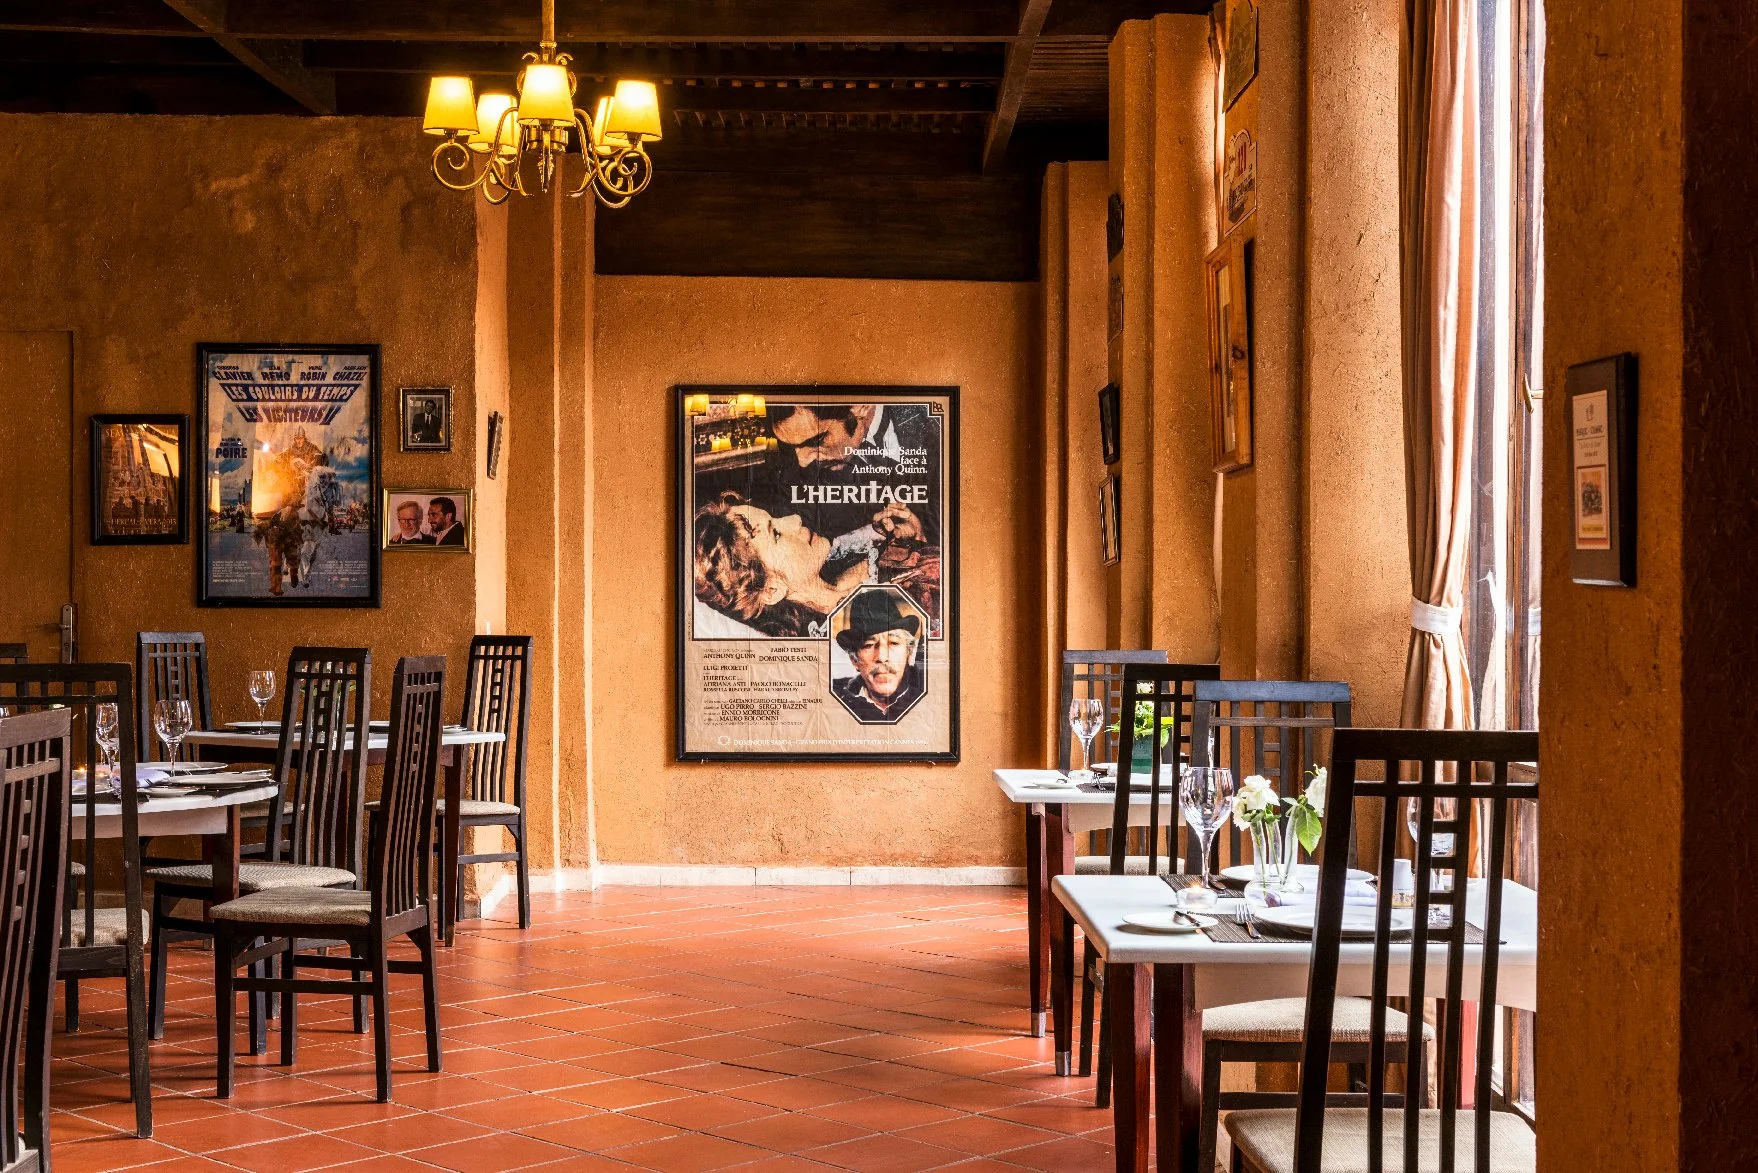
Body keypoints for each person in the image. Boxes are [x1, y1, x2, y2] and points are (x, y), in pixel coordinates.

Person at [693, 492, 866, 637]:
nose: (795, 519)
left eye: (775, 517)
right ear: (772, 590)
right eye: (776, 534)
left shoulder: (850, 560)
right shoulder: (843, 641)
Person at [831, 590, 927, 724]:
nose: (882, 657)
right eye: (868, 645)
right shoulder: (835, 699)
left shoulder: (933, 693)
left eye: (893, 643)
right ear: (854, 660)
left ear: (909, 652)